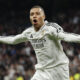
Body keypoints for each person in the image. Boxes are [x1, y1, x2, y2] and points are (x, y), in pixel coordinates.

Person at [1, 5, 80, 80]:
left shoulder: (51, 28)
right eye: (32, 14)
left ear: (43, 17)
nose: (34, 16)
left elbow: (65, 36)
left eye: (37, 13)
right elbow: (14, 40)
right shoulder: (29, 32)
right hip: (42, 71)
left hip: (59, 69)